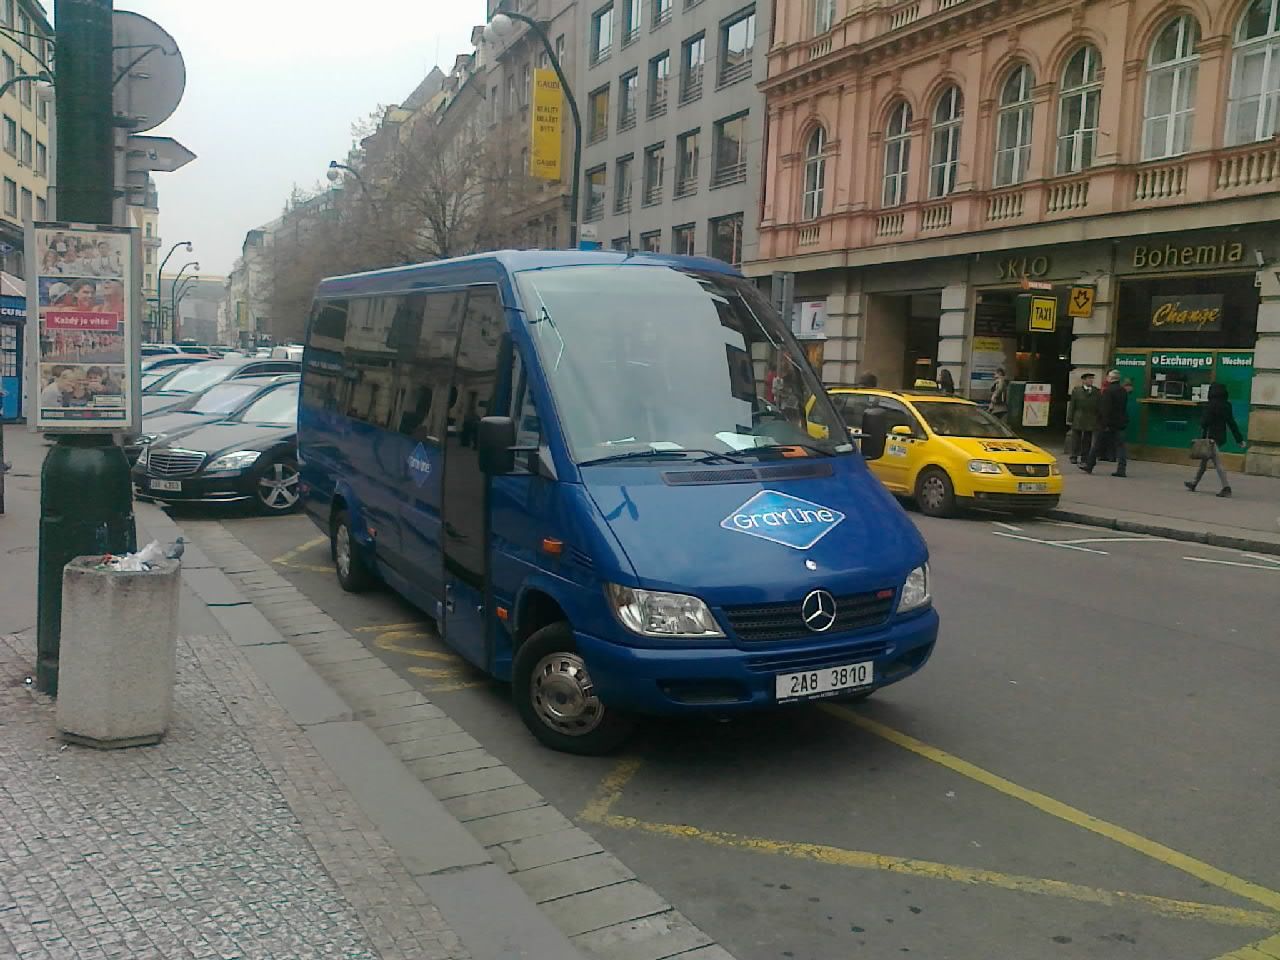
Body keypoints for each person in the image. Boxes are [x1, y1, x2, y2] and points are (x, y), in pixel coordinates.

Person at [1185, 382, 1244, 498]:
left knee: (1218, 463)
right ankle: (1194, 483)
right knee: (1204, 462)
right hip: (1220, 437)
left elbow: (1204, 422)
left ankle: (1226, 487)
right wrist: (1239, 439)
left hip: (1210, 438)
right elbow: (1231, 423)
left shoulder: (1211, 405)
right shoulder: (1227, 405)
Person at [1080, 369, 1128, 477]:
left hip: (1108, 423)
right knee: (1121, 447)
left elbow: (1105, 409)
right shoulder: (1123, 390)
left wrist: (1103, 423)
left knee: (1096, 445)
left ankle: (1089, 465)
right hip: (1120, 422)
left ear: (1110, 378)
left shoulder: (1108, 391)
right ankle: (1122, 469)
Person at [1065, 371, 1100, 464]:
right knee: (1076, 438)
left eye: (1092, 379)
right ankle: (1074, 456)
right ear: (1084, 380)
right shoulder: (1077, 391)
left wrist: (1098, 418)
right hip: (1079, 417)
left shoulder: (1096, 391)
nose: (1091, 381)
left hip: (1091, 418)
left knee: (1087, 440)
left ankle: (1085, 457)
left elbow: (1099, 406)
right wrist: (1070, 418)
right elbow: (1072, 405)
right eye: (1089, 379)